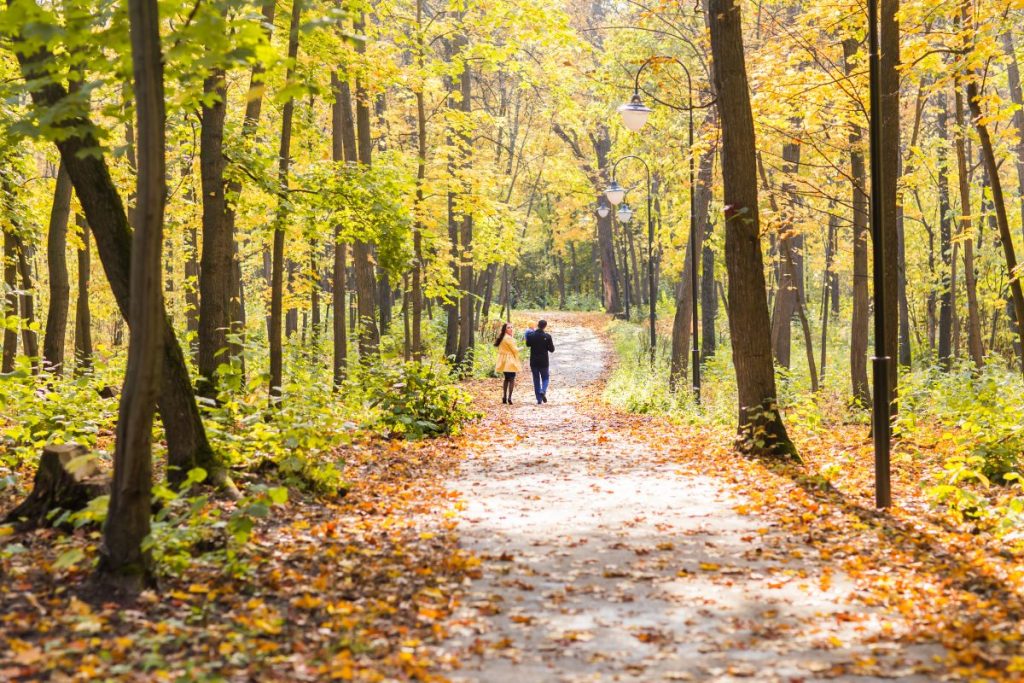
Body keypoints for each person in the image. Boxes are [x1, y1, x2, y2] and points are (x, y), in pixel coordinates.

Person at [525, 319, 555, 404]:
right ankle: (543, 390)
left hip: (534, 361)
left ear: (537, 325)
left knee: (536, 379)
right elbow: (552, 349)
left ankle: (539, 399)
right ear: (545, 326)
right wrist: (546, 345)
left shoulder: (531, 335)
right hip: (544, 361)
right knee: (545, 378)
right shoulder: (547, 336)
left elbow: (527, 344)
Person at [494, 322, 521, 404]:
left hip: (504, 361)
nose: (511, 329)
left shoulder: (503, 337)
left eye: (512, 327)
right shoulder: (508, 338)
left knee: (506, 379)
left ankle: (504, 397)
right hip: (510, 361)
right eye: (509, 327)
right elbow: (515, 350)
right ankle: (509, 397)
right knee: (512, 379)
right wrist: (521, 348)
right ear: (505, 329)